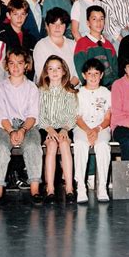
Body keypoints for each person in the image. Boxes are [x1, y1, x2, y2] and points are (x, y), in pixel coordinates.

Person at [0, 48, 44, 205]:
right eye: (11, 63)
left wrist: (23, 130)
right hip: (5, 126)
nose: (15, 67)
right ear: (6, 65)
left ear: (26, 65)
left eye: (20, 63)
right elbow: (1, 116)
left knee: (33, 145)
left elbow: (33, 115)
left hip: (28, 125)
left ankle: (35, 189)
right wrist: (12, 130)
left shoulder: (32, 87)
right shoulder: (0, 87)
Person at [38, 55, 78, 204]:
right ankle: (50, 189)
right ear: (46, 72)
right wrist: (49, 130)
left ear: (64, 71)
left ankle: (69, 188)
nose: (54, 72)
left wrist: (65, 130)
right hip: (46, 127)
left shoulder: (69, 91)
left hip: (64, 127)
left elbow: (71, 115)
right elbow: (40, 115)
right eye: (51, 69)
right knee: (52, 145)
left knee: (64, 144)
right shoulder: (41, 91)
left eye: (58, 68)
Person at [74, 58, 112, 203]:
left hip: (101, 127)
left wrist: (96, 130)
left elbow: (108, 118)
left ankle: (102, 186)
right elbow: (77, 118)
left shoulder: (106, 93)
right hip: (82, 128)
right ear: (84, 75)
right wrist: (89, 131)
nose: (93, 77)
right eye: (90, 73)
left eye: (96, 73)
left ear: (101, 75)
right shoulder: (78, 93)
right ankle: (81, 187)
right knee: (80, 145)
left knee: (103, 146)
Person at [0, 0, 37, 83]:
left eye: (22, 14)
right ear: (8, 15)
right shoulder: (2, 36)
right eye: (16, 14)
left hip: (26, 85)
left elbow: (32, 66)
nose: (19, 18)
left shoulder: (31, 39)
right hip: (7, 84)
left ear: (26, 15)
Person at [74, 5, 118, 89]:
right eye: (94, 19)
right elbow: (80, 70)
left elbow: (115, 69)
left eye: (101, 19)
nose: (98, 22)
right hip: (91, 87)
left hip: (110, 88)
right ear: (88, 23)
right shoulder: (82, 43)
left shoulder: (108, 45)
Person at [33, 7, 79, 86]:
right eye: (54, 24)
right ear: (47, 26)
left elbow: (78, 71)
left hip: (72, 88)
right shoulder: (41, 46)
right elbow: (41, 73)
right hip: (49, 90)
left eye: (61, 24)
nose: (58, 27)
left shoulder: (73, 45)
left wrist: (69, 87)